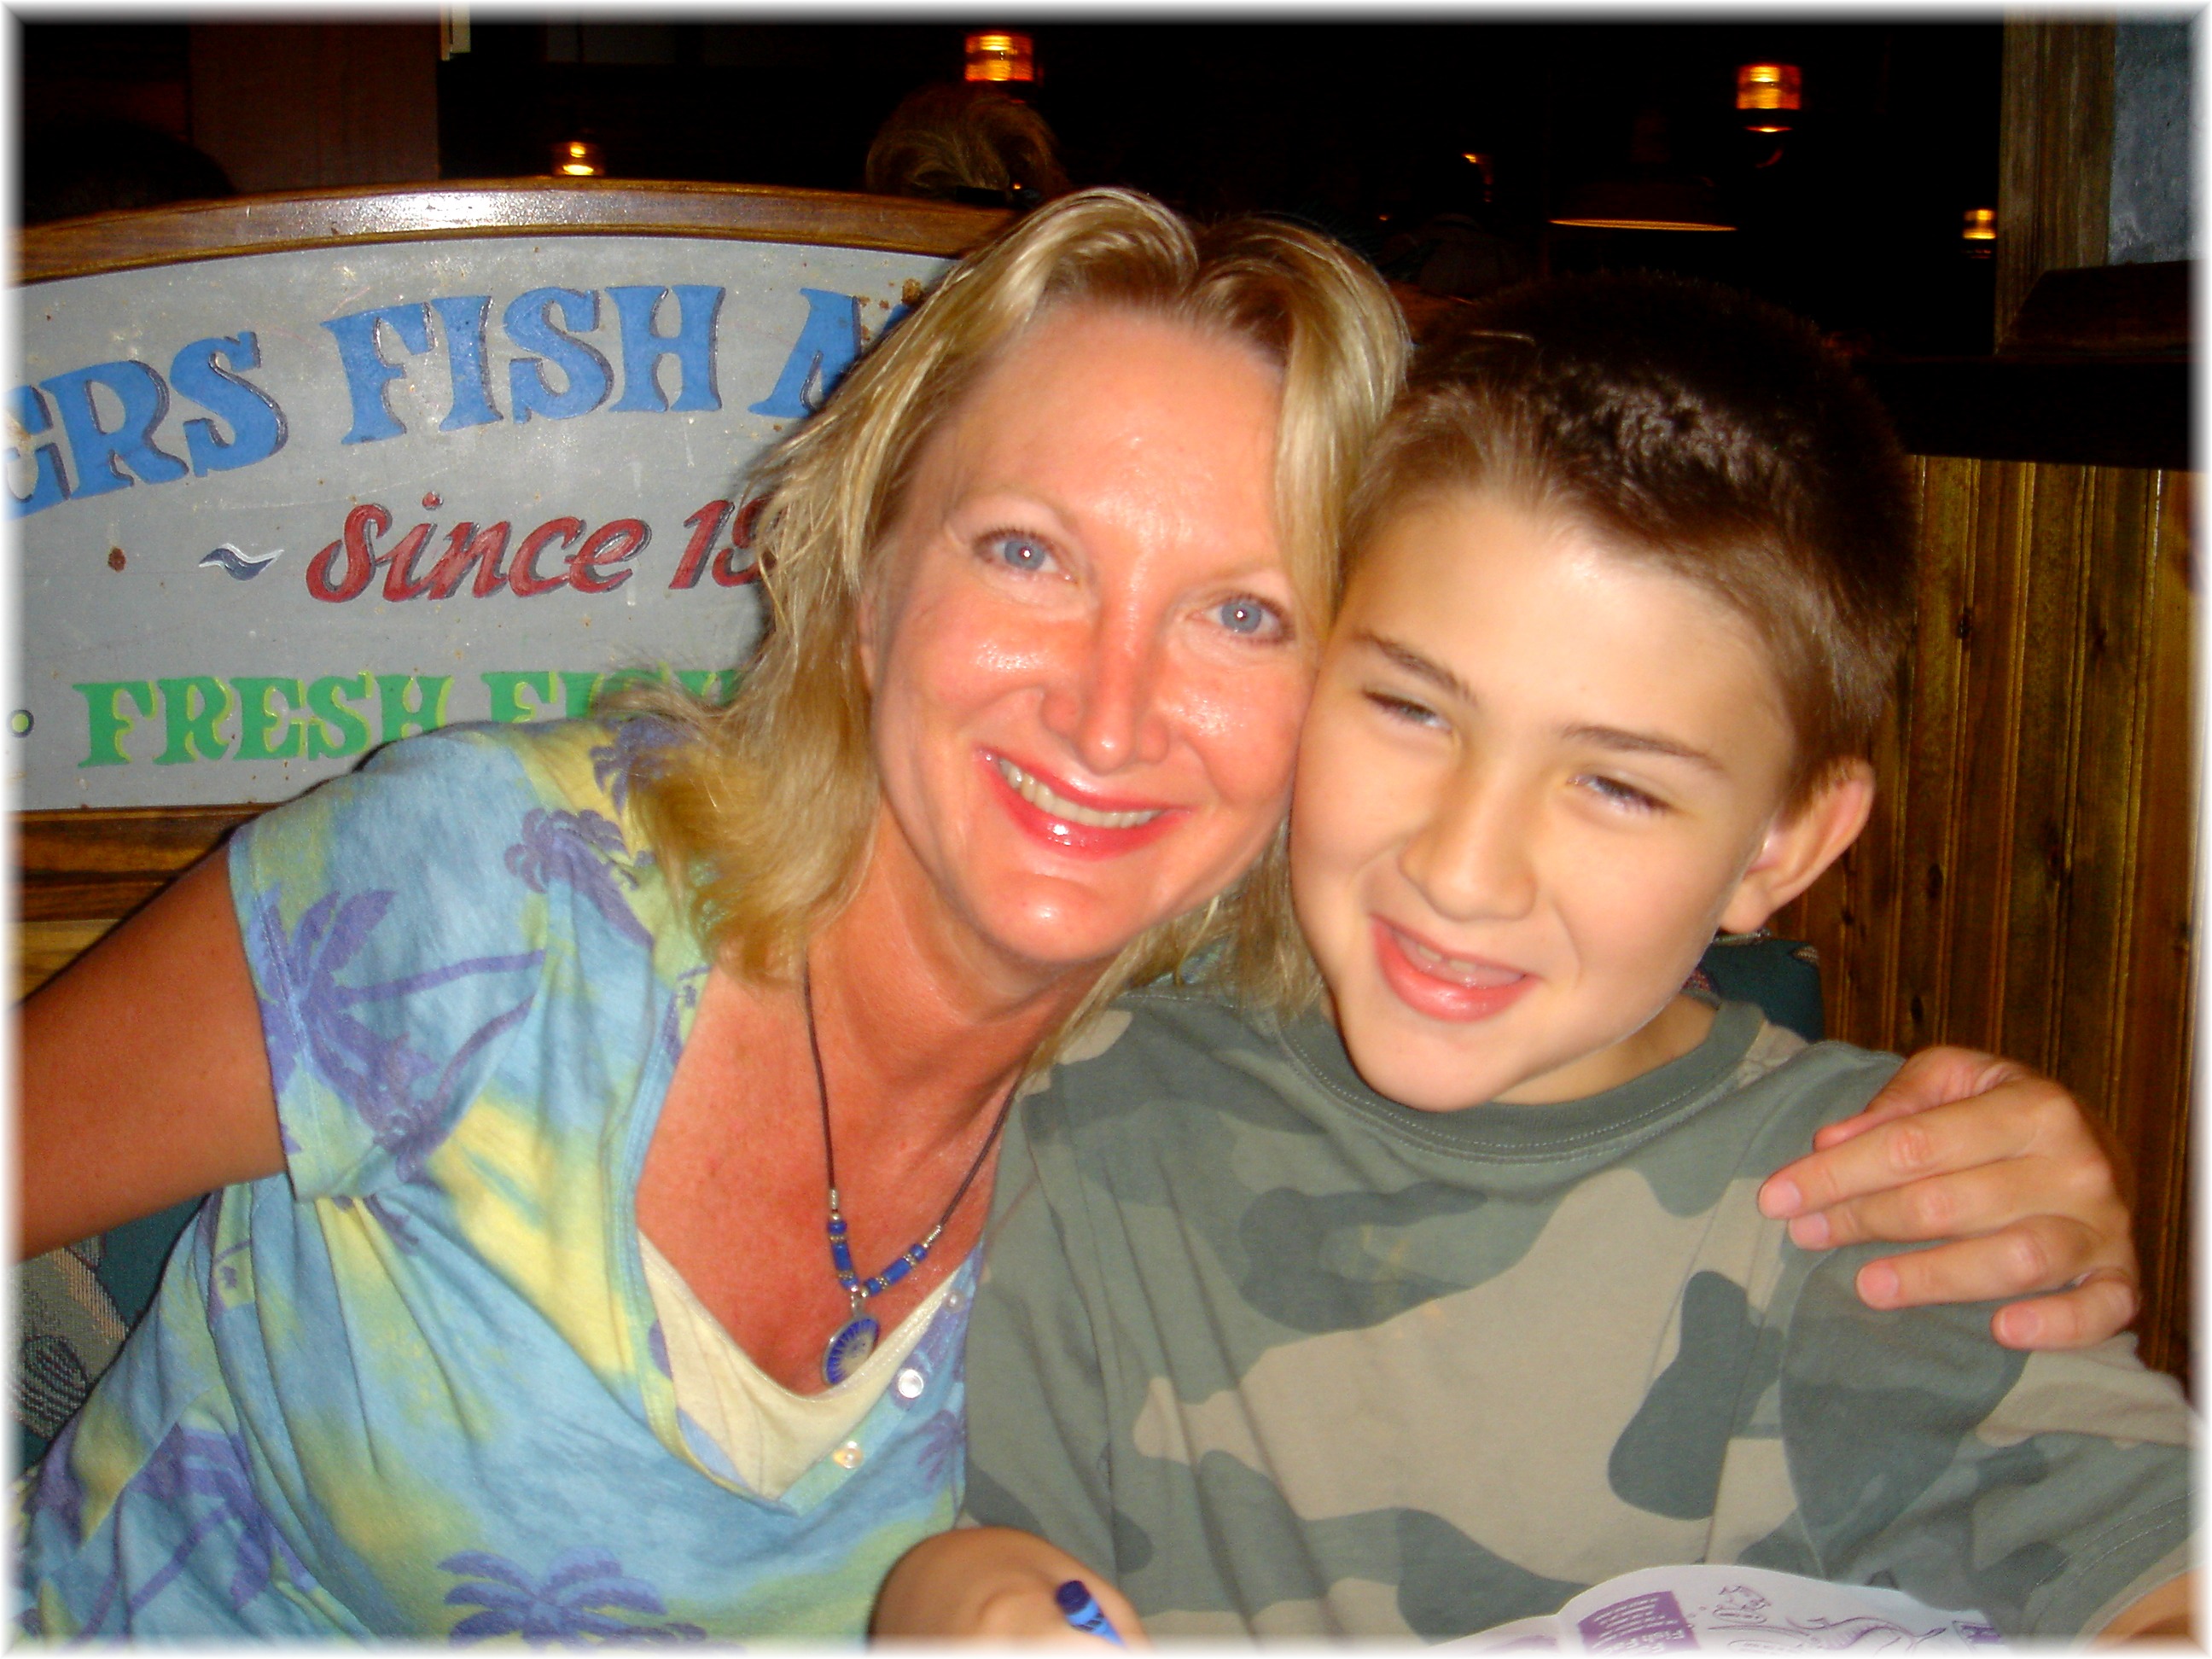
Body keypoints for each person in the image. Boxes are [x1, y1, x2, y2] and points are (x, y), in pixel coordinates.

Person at [15, 195, 2143, 1639]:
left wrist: (2013, 1169)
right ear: (870, 573)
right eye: (1027, 554)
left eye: (1243, 614)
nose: (1111, 708)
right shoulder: (478, 903)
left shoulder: (1226, 1065)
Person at [878, 276, 2193, 1643]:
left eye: (1617, 785)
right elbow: (987, 1553)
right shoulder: (1095, 1110)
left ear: (1784, 845)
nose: (1463, 869)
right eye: (1411, 707)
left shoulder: (1875, 1215)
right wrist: (947, 1594)